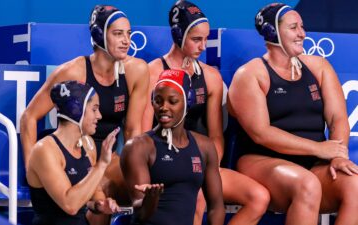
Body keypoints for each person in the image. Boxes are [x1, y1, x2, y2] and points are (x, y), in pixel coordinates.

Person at [228, 3, 358, 225]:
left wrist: (336, 155)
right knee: (306, 184)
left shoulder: (319, 67)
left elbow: (338, 119)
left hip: (313, 164)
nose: (302, 33)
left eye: (302, 26)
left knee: (354, 184)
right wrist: (319, 148)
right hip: (262, 161)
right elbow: (262, 133)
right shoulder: (250, 74)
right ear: (272, 32)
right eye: (294, 27)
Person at [142, 1, 270, 224]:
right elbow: (143, 135)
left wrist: (206, 167)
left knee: (259, 197)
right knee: (195, 199)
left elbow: (216, 136)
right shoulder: (152, 73)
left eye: (206, 39)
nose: (203, 46)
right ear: (178, 35)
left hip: (199, 161)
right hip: (163, 162)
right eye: (196, 39)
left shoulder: (211, 77)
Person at [20, 4, 149, 205]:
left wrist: (140, 172)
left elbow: (133, 130)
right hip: (76, 156)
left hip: (109, 157)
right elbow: (29, 116)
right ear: (99, 35)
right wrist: (31, 169)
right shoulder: (73, 72)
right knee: (101, 190)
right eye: (118, 34)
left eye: (129, 33)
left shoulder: (137, 71)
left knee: (144, 190)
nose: (126, 41)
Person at [121, 69, 225, 225]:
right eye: (158, 100)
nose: (163, 107)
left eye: (172, 101)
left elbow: (216, 207)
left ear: (187, 102)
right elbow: (140, 213)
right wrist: (150, 200)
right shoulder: (138, 147)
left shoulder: (205, 147)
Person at [26, 80, 120, 225]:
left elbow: (94, 191)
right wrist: (102, 164)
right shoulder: (45, 150)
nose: (99, 116)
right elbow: (70, 205)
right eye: (94, 109)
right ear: (77, 111)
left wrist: (100, 204)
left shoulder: (88, 145)